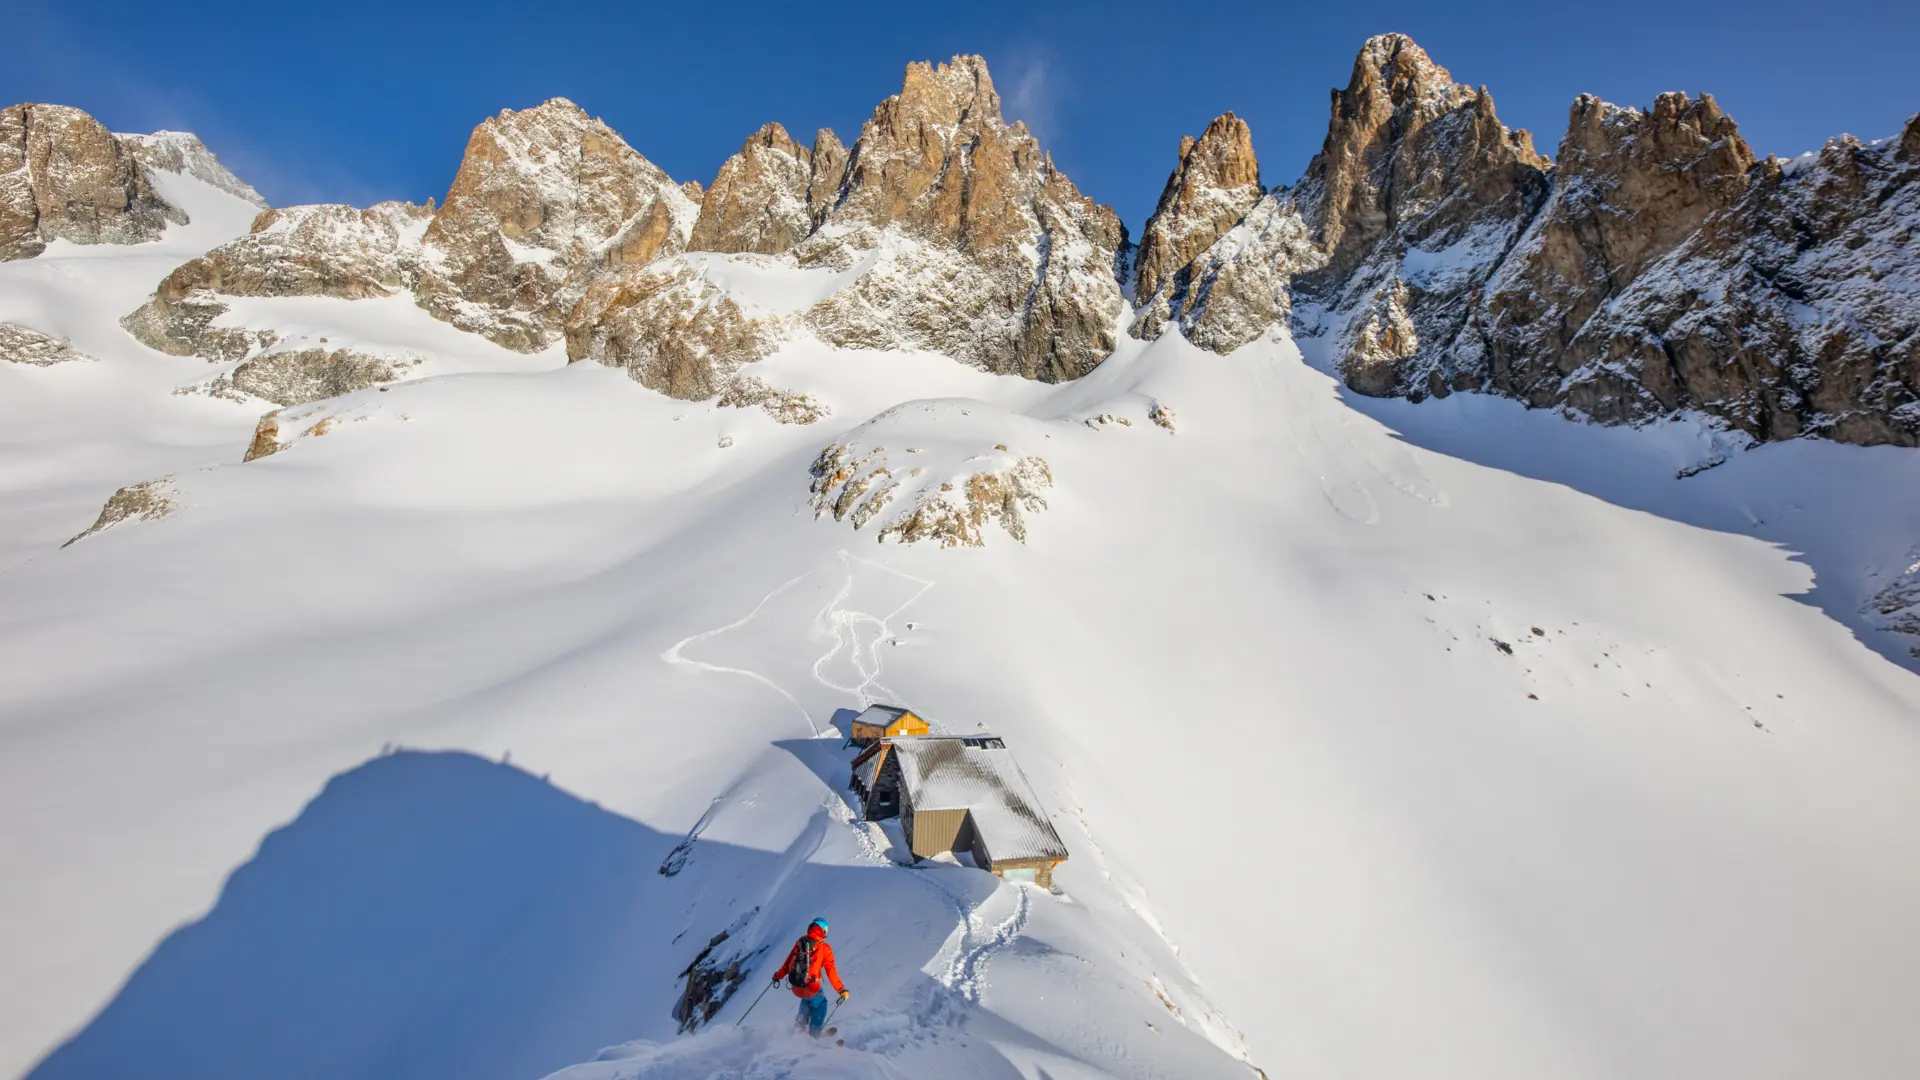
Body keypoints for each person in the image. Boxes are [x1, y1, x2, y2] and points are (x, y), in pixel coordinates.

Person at [773, 916, 848, 1037]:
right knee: (821, 1004)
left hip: (796, 986)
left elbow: (788, 963)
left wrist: (777, 976)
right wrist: (841, 990)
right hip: (811, 988)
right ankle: (814, 1036)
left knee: (807, 999)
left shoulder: (800, 942)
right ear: (823, 930)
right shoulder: (824, 948)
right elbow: (831, 972)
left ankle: (798, 1030)